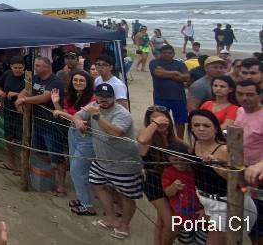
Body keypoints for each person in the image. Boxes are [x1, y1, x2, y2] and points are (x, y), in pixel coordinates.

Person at [73, 83, 143, 240]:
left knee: (127, 196)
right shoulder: (93, 106)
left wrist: (97, 116)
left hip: (124, 163)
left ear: (114, 97)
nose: (103, 99)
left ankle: (125, 225)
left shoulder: (122, 113)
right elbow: (78, 115)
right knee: (96, 184)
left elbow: (115, 132)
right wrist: (78, 121)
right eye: (100, 96)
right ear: (96, 96)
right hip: (101, 160)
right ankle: (111, 218)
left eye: (108, 97)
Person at [190, 109, 258, 244]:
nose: (201, 129)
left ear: (216, 129)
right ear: (191, 128)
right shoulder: (195, 144)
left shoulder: (224, 150)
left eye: (206, 125)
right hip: (208, 203)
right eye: (196, 125)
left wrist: (216, 166)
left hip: (229, 204)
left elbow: (241, 183)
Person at [16, 57, 67, 197]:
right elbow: (25, 90)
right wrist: (20, 99)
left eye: (39, 66)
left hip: (52, 125)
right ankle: (43, 178)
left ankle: (61, 186)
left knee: (57, 157)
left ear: (47, 67)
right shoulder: (35, 78)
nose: (36, 68)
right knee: (40, 153)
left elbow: (45, 97)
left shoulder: (55, 81)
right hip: (37, 122)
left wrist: (24, 100)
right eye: (36, 65)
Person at [51, 70, 96, 215]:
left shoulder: (93, 99)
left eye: (82, 80)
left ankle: (88, 206)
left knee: (78, 170)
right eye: (75, 80)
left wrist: (61, 113)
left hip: (87, 136)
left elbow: (84, 122)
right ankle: (82, 199)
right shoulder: (71, 95)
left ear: (88, 83)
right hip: (73, 132)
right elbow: (63, 115)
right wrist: (56, 103)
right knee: (77, 169)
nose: (78, 83)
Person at [137, 106, 179, 245]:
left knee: (162, 220)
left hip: (170, 182)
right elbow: (142, 139)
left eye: (163, 118)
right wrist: (156, 123)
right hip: (154, 183)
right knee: (172, 224)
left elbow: (188, 149)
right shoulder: (148, 137)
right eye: (154, 119)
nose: (160, 121)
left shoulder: (170, 137)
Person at [162, 141, 205, 245]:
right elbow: (167, 193)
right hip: (181, 217)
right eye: (175, 160)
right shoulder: (168, 172)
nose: (179, 163)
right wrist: (173, 187)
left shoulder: (194, 170)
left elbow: (204, 190)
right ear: (168, 159)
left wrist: (204, 209)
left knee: (202, 239)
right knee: (186, 240)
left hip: (199, 213)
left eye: (183, 159)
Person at [0, 55, 26, 175]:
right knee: (8, 138)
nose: (17, 70)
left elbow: (31, 93)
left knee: (23, 141)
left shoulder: (28, 78)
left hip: (22, 115)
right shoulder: (7, 74)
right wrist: (0, 92)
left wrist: (16, 94)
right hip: (8, 111)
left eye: (20, 68)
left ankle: (23, 167)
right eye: (15, 67)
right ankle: (11, 162)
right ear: (11, 67)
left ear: (24, 67)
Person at [150, 45, 190, 139]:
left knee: (180, 121)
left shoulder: (179, 64)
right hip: (161, 97)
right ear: (160, 53)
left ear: (173, 53)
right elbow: (158, 73)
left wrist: (166, 73)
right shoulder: (154, 62)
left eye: (169, 53)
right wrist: (176, 73)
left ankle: (180, 140)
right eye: (164, 53)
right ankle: (163, 139)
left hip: (179, 97)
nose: (167, 54)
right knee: (160, 120)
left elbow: (186, 77)